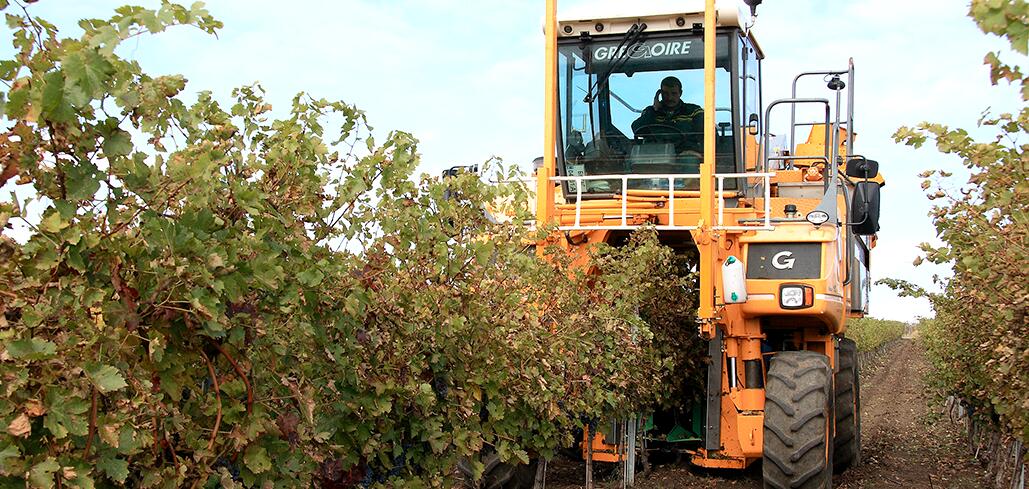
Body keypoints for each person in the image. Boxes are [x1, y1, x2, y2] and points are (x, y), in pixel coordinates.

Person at [631, 76, 703, 154]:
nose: (670, 98)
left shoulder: (694, 111)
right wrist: (654, 110)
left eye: (674, 93)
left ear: (680, 93)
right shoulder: (650, 112)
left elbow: (707, 134)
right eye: (665, 94)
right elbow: (637, 129)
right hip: (655, 155)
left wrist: (699, 152)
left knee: (688, 159)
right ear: (660, 94)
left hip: (684, 154)